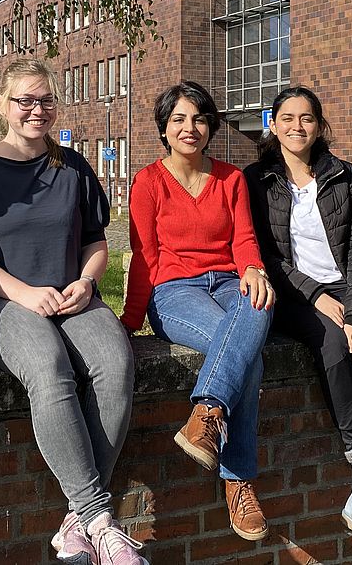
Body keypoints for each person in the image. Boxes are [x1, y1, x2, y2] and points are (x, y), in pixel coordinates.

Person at [0, 58, 146, 565]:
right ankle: (99, 517)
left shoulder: (72, 166)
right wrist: (22, 293)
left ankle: (78, 522)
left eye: (46, 101)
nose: (37, 110)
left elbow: (96, 242)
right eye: (25, 101)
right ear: (3, 106)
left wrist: (86, 281)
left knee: (116, 363)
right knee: (48, 367)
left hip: (71, 299)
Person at [242, 86, 352, 556]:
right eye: (288, 118)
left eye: (308, 118)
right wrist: (318, 298)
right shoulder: (255, 180)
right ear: (272, 124)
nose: (298, 127)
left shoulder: (343, 175)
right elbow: (265, 256)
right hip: (297, 296)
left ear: (319, 126)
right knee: (333, 347)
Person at [122, 80, 274, 543]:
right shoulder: (148, 182)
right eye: (179, 120)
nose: (190, 128)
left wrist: (254, 269)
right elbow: (143, 255)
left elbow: (245, 238)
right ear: (164, 129)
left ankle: (207, 411)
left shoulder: (230, 178)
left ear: (211, 126)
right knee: (249, 356)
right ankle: (238, 480)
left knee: (259, 301)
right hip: (174, 291)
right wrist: (129, 321)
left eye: (200, 118)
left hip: (228, 281)